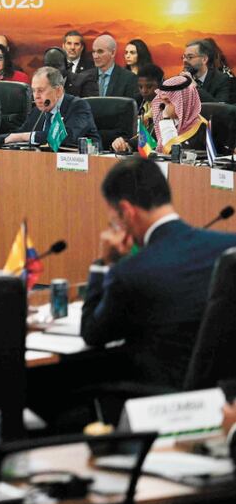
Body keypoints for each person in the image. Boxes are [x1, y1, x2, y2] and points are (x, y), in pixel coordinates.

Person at [81, 157, 236, 388]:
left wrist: (104, 264)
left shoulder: (129, 272)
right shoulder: (229, 248)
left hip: (156, 402)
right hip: (223, 398)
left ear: (126, 211)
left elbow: (92, 333)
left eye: (114, 219)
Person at [0, 66, 100, 148]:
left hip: (81, 166)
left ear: (58, 91)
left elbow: (65, 138)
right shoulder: (38, 112)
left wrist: (25, 137)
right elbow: (17, 134)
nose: (36, 96)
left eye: (40, 90)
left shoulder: (78, 107)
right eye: (34, 91)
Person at [111, 64, 164, 153]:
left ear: (160, 85)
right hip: (136, 151)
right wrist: (121, 143)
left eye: (149, 86)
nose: (144, 91)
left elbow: (153, 137)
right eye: (140, 87)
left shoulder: (166, 106)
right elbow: (125, 133)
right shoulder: (135, 102)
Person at [151, 73, 207, 155]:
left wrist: (166, 121)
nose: (162, 106)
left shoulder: (201, 129)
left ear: (184, 102)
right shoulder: (160, 121)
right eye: (161, 100)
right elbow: (145, 141)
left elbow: (174, 154)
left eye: (168, 101)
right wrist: (128, 145)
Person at [183, 39, 230, 104]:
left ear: (204, 59)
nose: (184, 60)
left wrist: (195, 88)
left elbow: (221, 108)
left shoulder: (222, 79)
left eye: (190, 57)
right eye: (184, 57)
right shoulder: (182, 79)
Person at [92, 35, 138, 99]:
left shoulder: (128, 78)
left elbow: (129, 106)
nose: (95, 56)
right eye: (93, 52)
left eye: (100, 52)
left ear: (113, 53)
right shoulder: (85, 77)